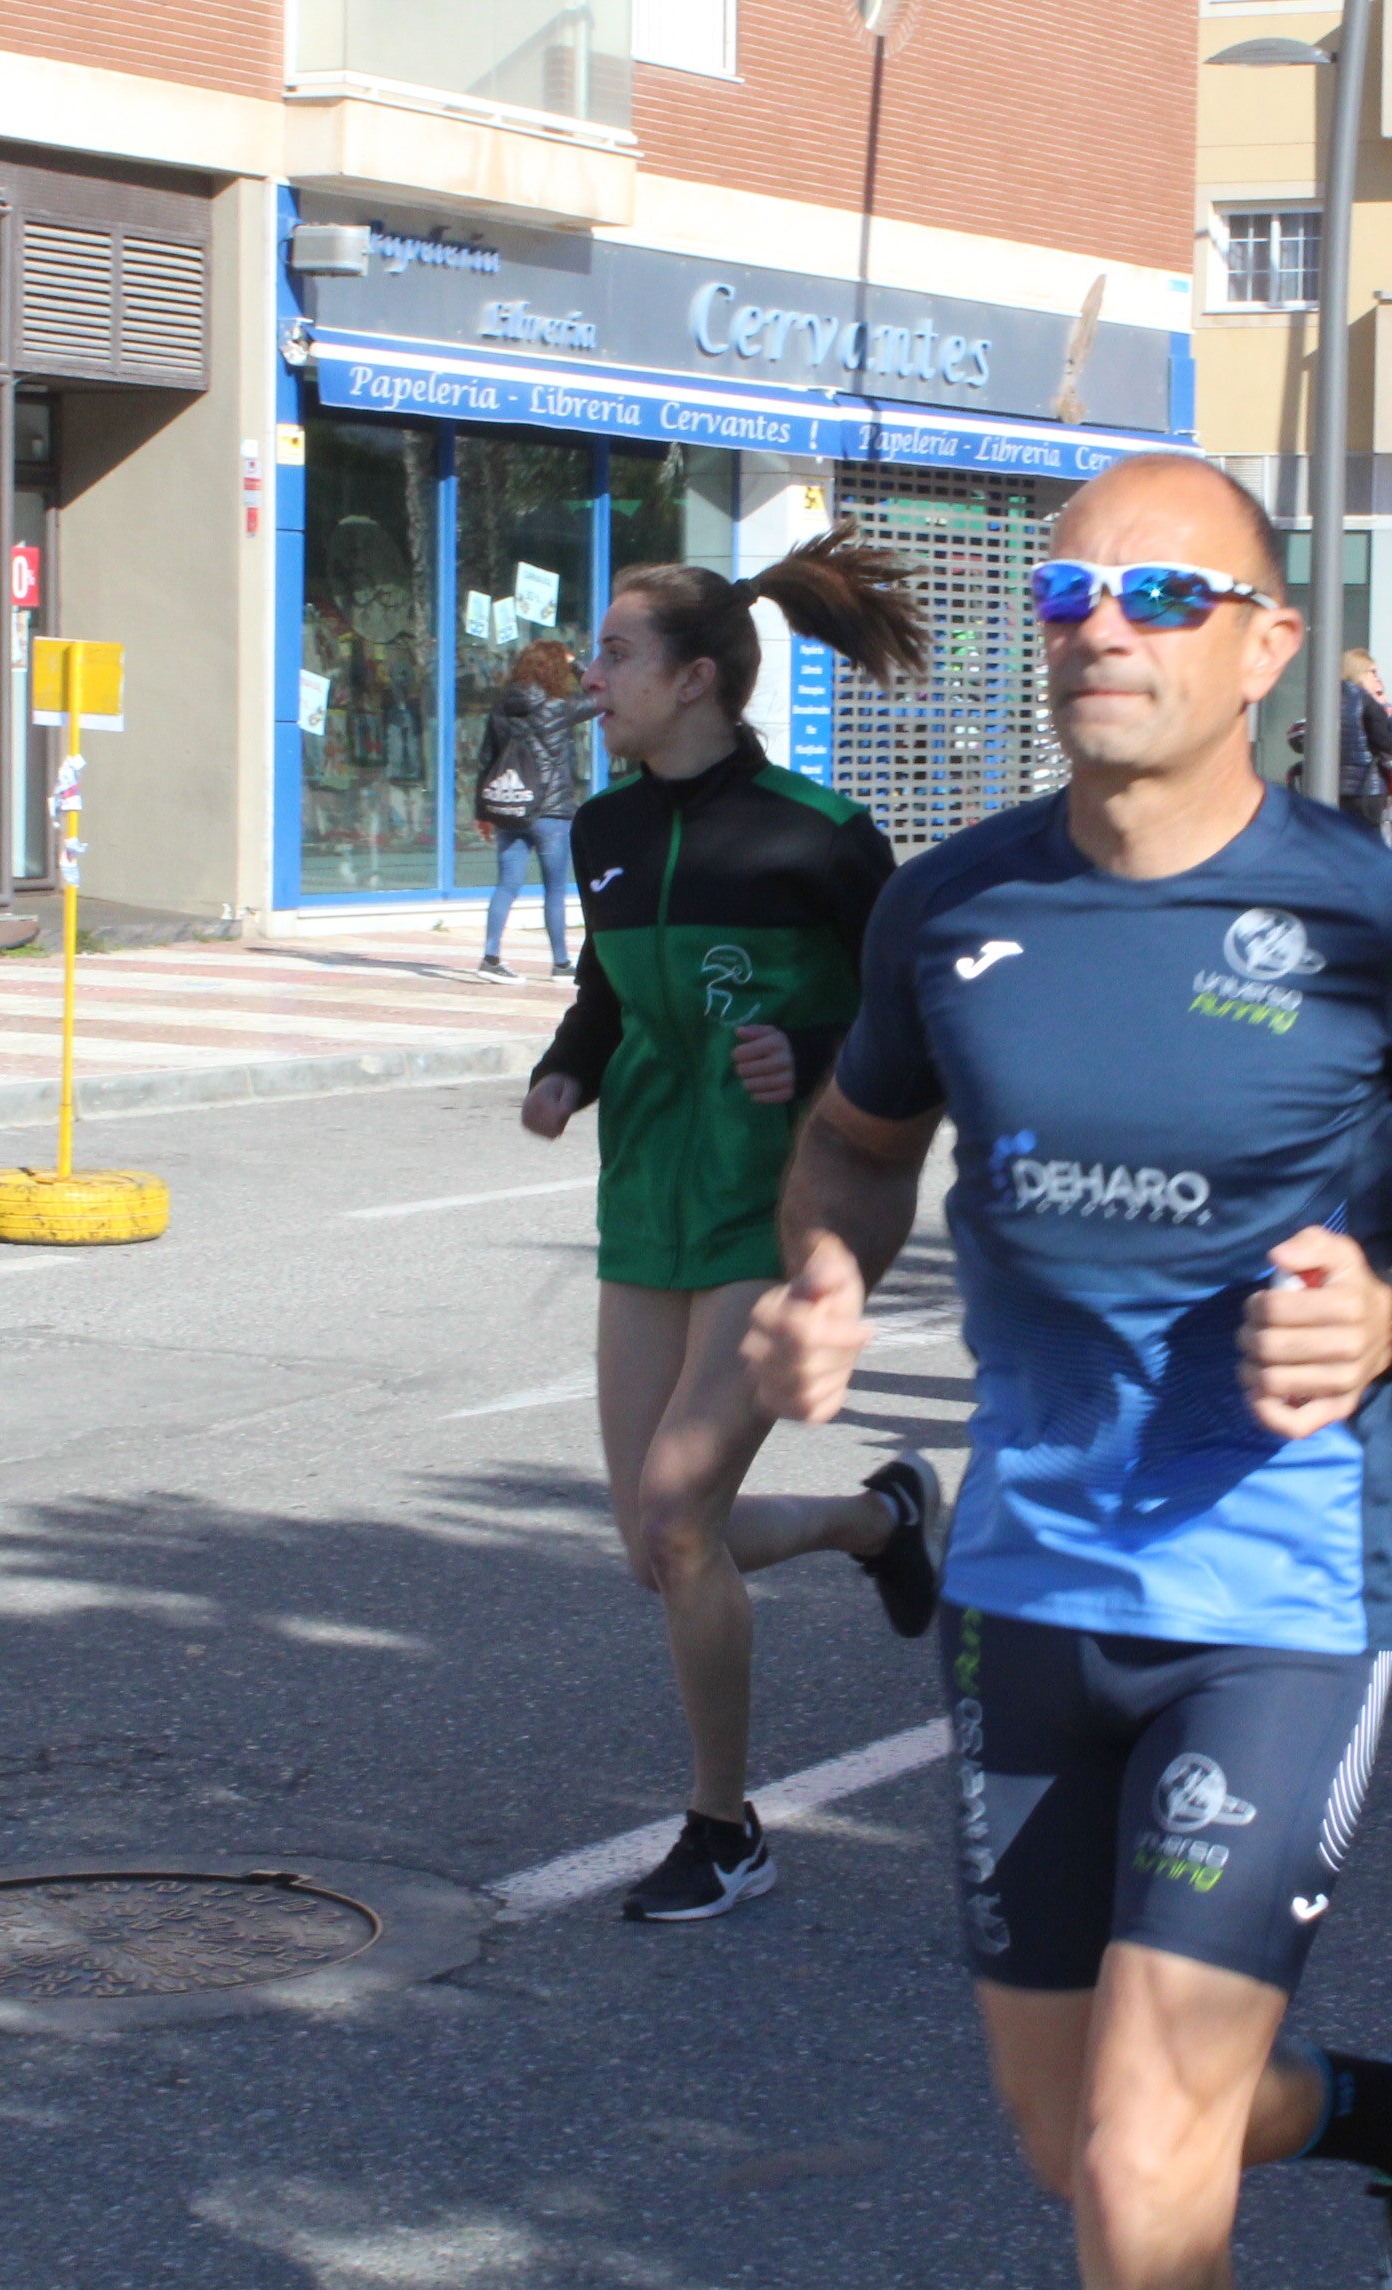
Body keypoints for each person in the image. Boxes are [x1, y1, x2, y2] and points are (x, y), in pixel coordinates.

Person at [744, 452, 1392, 2290]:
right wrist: (821, 1266)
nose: (1102, 630)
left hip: (1272, 1592)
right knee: (1080, 2142)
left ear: (1268, 644)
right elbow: (853, 1138)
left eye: (1160, 596)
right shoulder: (951, 908)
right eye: (1069, 596)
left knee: (1144, 2168)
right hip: (1025, 1581)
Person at [522, 524, 952, 1922]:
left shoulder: (820, 839)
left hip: (777, 1201)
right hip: (645, 1192)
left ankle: (725, 1828)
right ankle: (876, 1524)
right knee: (651, 1539)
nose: (594, 677)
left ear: (697, 679)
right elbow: (608, 987)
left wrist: (811, 1040)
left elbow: (914, 1011)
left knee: (675, 1511)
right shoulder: (602, 828)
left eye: (617, 653)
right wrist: (569, 1066)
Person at [472, 637, 594, 982]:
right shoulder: (559, 706)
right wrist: (575, 663)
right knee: (555, 888)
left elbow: (486, 760)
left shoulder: (501, 707)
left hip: (510, 807)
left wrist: (482, 811)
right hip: (551, 812)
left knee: (506, 885)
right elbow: (602, 694)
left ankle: (491, 958)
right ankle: (560, 964)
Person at [1336, 647, 1392, 829]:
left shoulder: (1330, 698)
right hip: (1367, 783)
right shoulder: (1367, 702)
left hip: (1336, 784)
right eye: (1372, 672)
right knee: (1368, 840)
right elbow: (1386, 742)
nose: (1376, 678)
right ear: (1359, 672)